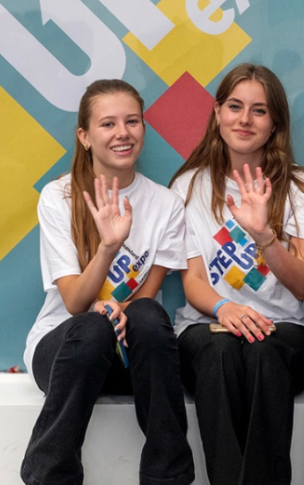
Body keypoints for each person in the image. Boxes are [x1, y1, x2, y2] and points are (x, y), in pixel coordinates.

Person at [21, 79, 194, 485]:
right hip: (66, 353)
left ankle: (167, 477)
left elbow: (146, 300)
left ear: (144, 130)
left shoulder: (165, 204)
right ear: (84, 136)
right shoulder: (58, 197)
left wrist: (121, 309)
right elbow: (75, 302)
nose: (123, 133)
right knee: (94, 326)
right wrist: (107, 248)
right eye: (108, 124)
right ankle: (51, 477)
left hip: (129, 357)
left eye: (132, 121)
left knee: (150, 314)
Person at [169, 63, 304, 485]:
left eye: (259, 110)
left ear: (275, 124)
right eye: (234, 106)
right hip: (208, 327)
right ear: (217, 114)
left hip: (285, 333)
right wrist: (226, 309)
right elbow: (194, 281)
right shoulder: (188, 186)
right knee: (219, 354)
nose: (244, 119)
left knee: (263, 352)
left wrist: (264, 236)